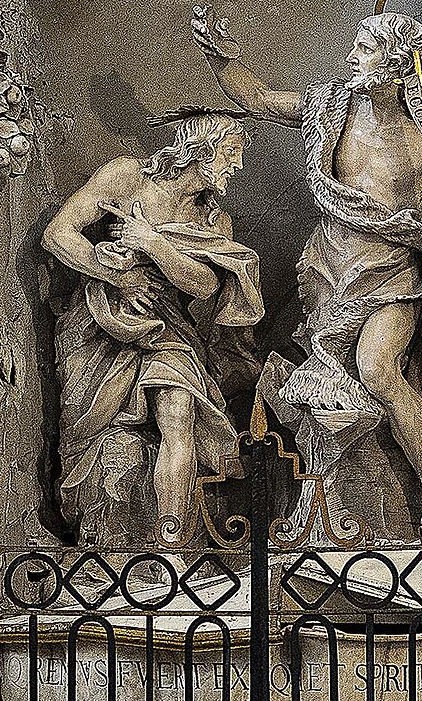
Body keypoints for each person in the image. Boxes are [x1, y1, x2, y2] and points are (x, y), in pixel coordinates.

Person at [191, 6, 422, 529]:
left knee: (378, 369)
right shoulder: (334, 105)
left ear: (400, 65)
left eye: (366, 51)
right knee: (321, 383)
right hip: (328, 266)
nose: (353, 59)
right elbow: (258, 100)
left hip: (392, 274)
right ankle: (328, 508)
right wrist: (223, 58)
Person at [43, 115, 263, 543]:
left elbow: (204, 285)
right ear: (201, 150)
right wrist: (117, 276)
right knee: (104, 436)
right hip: (103, 324)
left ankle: (172, 540)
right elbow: (57, 234)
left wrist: (153, 243)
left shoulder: (214, 220)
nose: (236, 167)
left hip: (168, 326)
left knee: (179, 412)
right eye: (232, 153)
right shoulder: (127, 177)